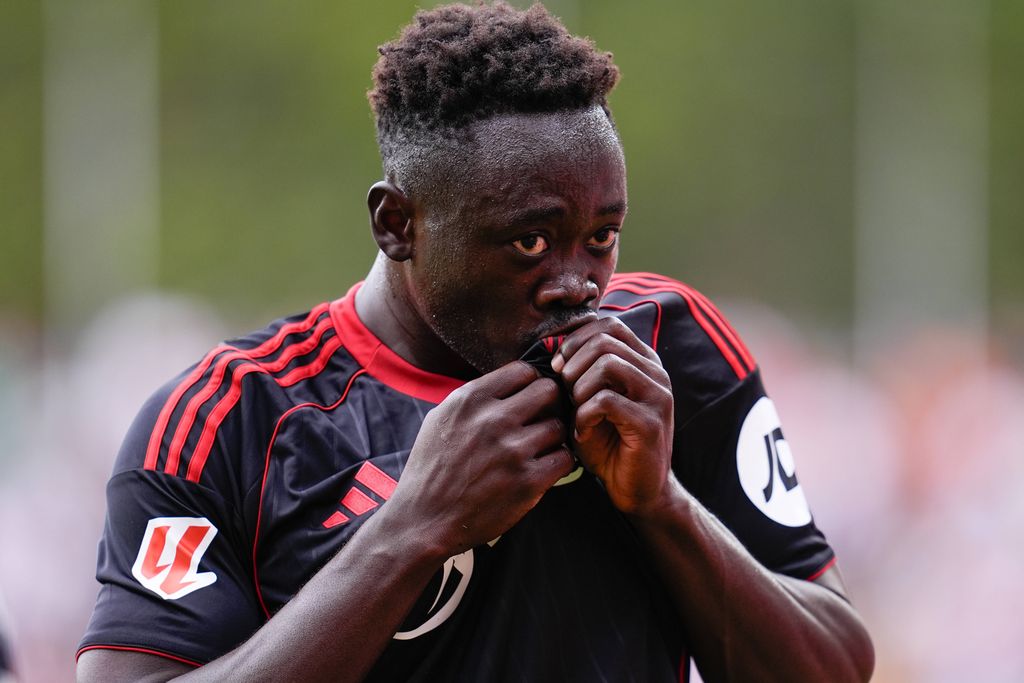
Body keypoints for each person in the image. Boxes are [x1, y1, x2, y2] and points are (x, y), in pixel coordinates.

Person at [77, 3, 874, 681]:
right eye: (530, 241)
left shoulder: (671, 349)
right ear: (398, 224)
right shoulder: (230, 418)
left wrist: (663, 506)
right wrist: (409, 530)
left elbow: (837, 660)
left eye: (602, 234)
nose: (577, 283)